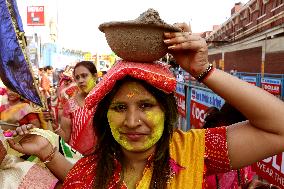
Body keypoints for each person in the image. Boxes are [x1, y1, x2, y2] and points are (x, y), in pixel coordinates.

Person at [6, 22, 284, 189]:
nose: (132, 121)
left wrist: (202, 71)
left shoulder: (193, 150)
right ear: (104, 116)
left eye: (146, 105)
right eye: (119, 108)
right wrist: (47, 153)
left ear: (166, 111)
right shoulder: (87, 172)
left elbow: (279, 127)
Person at [52, 61, 98, 155]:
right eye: (77, 77)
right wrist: (55, 125)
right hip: (76, 158)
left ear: (95, 76)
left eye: (84, 76)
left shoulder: (106, 101)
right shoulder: (70, 104)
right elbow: (65, 138)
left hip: (101, 159)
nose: (80, 80)